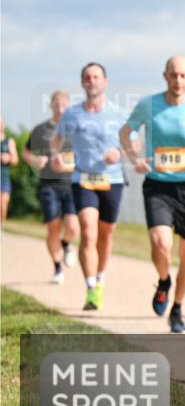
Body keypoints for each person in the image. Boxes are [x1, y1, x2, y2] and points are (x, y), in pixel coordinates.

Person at [119, 55, 185, 333]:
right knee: (161, 244)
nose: (178, 81)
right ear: (165, 76)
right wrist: (134, 157)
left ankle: (177, 308)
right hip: (157, 185)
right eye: (173, 75)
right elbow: (124, 133)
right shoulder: (148, 105)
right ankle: (164, 280)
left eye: (183, 75)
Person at [52, 63, 127, 310]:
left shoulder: (118, 113)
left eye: (96, 77)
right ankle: (91, 288)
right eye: (87, 77)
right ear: (83, 83)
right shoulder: (72, 114)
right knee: (88, 231)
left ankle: (101, 276)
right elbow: (57, 139)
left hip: (112, 179)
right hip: (83, 179)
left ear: (104, 82)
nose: (92, 81)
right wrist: (55, 154)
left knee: (106, 234)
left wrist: (119, 151)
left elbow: (133, 144)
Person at [24, 91, 79, 284]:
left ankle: (66, 244)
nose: (60, 108)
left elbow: (81, 158)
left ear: (68, 106)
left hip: (71, 184)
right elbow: (26, 152)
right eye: (57, 104)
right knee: (53, 227)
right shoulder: (41, 130)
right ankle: (57, 268)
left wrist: (68, 165)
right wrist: (35, 160)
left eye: (64, 105)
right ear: (51, 106)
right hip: (48, 185)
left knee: (73, 226)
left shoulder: (74, 130)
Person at [0, 117, 17, 222]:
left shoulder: (9, 141)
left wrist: (9, 158)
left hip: (4, 177)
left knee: (3, 204)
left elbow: (16, 160)